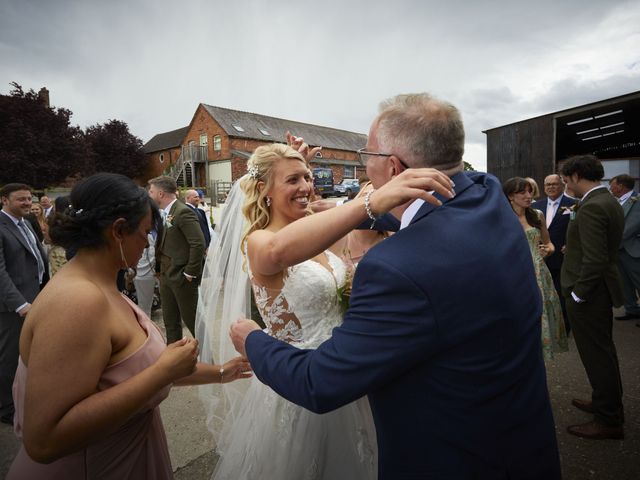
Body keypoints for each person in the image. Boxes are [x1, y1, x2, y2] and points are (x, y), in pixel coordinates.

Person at [230, 93, 561, 479]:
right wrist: (347, 202)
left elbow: (318, 383)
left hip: (453, 456)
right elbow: (297, 239)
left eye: (365, 154)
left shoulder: (397, 267)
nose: (363, 163)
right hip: (520, 435)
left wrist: (252, 339)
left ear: (392, 166)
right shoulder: (487, 193)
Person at [197, 140, 456, 479]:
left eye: (307, 177)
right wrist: (368, 201)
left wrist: (293, 176)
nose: (306, 186)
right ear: (263, 190)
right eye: (293, 180)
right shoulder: (259, 241)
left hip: (344, 367)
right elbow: (278, 251)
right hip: (296, 377)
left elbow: (340, 222)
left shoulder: (321, 228)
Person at [6, 173, 250, 479]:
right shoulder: (76, 302)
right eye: (145, 232)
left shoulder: (102, 284)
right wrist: (163, 372)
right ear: (118, 230)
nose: (147, 242)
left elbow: (128, 374)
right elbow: (44, 439)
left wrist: (225, 372)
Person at [560, 155, 625, 440]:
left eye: (565, 179)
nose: (565, 184)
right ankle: (605, 403)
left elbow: (595, 260)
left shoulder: (592, 206)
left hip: (590, 293)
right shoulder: (607, 200)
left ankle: (608, 419)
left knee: (597, 356)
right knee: (604, 353)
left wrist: (577, 294)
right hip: (600, 289)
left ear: (575, 175)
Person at [503, 177, 568, 359]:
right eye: (522, 192)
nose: (528, 195)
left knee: (540, 314)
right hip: (513, 272)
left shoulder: (537, 215)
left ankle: (536, 355)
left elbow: (549, 243)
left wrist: (548, 250)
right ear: (510, 196)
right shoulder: (502, 218)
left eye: (530, 191)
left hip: (539, 272)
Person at [0, 184, 48, 426]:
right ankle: (7, 409)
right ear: (4, 200)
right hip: (13, 307)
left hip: (36, 296)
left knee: (32, 351)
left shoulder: (27, 222)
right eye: (21, 199)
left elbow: (37, 256)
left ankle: (27, 397)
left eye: (30, 198)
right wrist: (20, 305)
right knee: (10, 357)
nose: (28, 203)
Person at [148, 176, 205, 343]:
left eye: (150, 192)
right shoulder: (164, 213)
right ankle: (175, 360)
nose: (148, 195)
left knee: (194, 323)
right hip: (166, 275)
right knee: (170, 321)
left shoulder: (182, 211)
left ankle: (210, 362)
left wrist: (189, 273)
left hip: (181, 277)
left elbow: (198, 243)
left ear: (160, 193)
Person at [533, 174, 577, 333]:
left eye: (554, 184)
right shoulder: (535, 206)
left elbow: (578, 229)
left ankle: (564, 328)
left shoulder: (574, 205)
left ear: (562, 185)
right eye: (547, 184)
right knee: (543, 295)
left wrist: (572, 245)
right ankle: (547, 327)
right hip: (541, 258)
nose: (551, 187)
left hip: (564, 258)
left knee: (562, 295)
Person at [608, 174, 640, 321]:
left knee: (637, 280)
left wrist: (610, 241)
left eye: (612, 185)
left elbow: (632, 226)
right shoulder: (616, 202)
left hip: (632, 249)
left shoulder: (637, 200)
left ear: (620, 186)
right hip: (618, 250)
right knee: (624, 283)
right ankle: (632, 309)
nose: (610, 188)